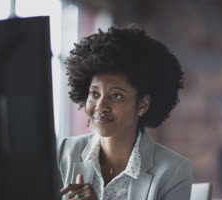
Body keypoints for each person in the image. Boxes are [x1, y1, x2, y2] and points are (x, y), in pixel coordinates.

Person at [58, 25, 192, 200]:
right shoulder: (64, 153)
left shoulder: (173, 170)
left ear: (143, 104)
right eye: (94, 94)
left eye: (116, 96)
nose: (100, 106)